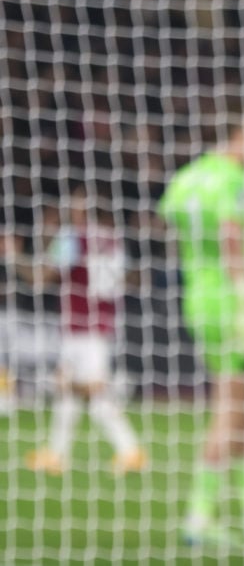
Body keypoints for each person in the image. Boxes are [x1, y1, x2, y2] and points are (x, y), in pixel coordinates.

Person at [159, 113, 244, 547]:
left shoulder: (186, 178)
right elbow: (231, 234)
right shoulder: (234, 179)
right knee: (232, 404)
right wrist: (240, 297)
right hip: (232, 299)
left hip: (198, 296)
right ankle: (199, 516)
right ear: (236, 136)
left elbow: (169, 227)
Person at [22, 186, 147, 475]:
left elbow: (43, 278)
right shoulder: (113, 241)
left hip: (80, 326)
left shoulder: (73, 238)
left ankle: (131, 451)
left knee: (93, 394)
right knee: (68, 393)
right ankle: (56, 454)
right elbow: (125, 279)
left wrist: (16, 256)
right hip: (100, 324)